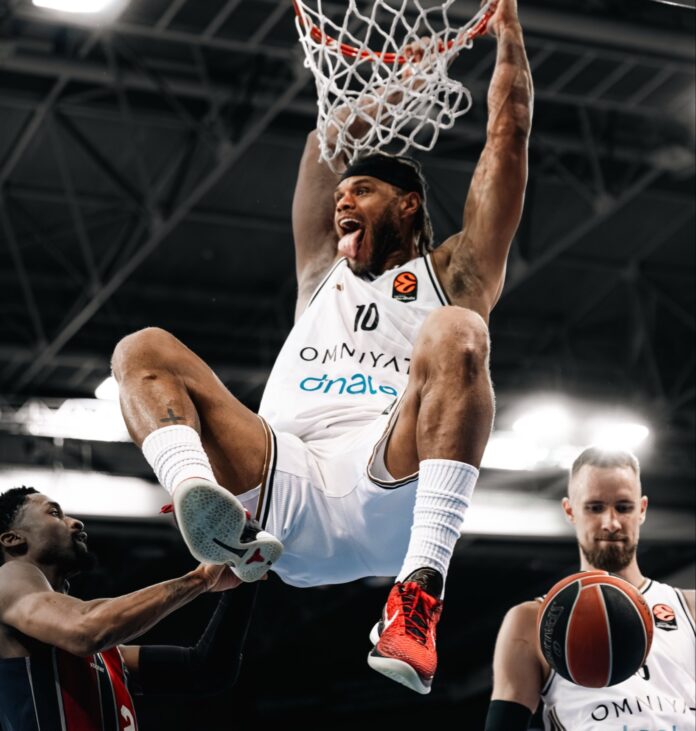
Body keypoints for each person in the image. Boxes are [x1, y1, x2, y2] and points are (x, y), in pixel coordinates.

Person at [111, 0, 533, 694]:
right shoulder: (320, 269)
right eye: (341, 195)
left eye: (361, 191)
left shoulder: (456, 273)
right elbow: (324, 143)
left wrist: (508, 36)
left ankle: (418, 594)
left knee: (458, 330)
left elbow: (507, 136)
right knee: (141, 348)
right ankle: (208, 510)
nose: (342, 202)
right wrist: (413, 74)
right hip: (281, 485)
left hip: (386, 478)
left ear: (408, 204)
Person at [0, 486, 259, 731]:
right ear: (12, 538)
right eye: (54, 513)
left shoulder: (107, 654)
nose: (76, 522)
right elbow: (85, 629)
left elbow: (207, 670)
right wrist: (199, 579)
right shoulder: (7, 580)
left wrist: (244, 571)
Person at [484, 447, 696, 731]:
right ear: (570, 510)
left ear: (642, 509)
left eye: (624, 507)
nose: (611, 523)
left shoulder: (689, 607)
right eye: (595, 507)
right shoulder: (533, 619)